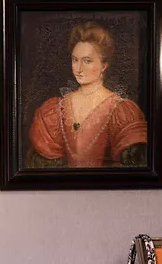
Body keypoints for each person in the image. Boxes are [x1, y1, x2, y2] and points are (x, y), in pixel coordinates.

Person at [27, 21, 147, 168]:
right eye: (75, 60)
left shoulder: (121, 111)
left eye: (87, 61)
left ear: (104, 65)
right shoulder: (55, 109)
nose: (78, 68)